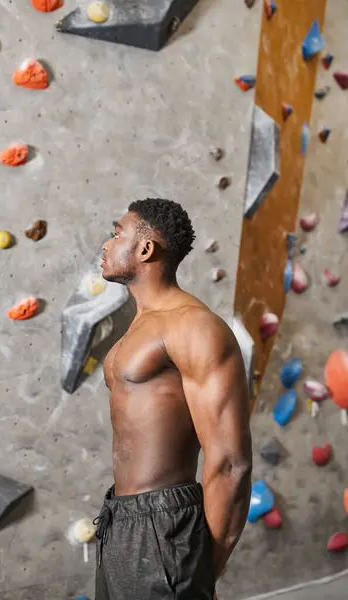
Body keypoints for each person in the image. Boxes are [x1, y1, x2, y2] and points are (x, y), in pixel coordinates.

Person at [93, 198, 252, 600]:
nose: (105, 245)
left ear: (146, 250)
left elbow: (230, 463)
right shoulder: (140, 326)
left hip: (165, 526)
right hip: (120, 519)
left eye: (117, 234)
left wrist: (201, 570)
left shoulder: (193, 326)